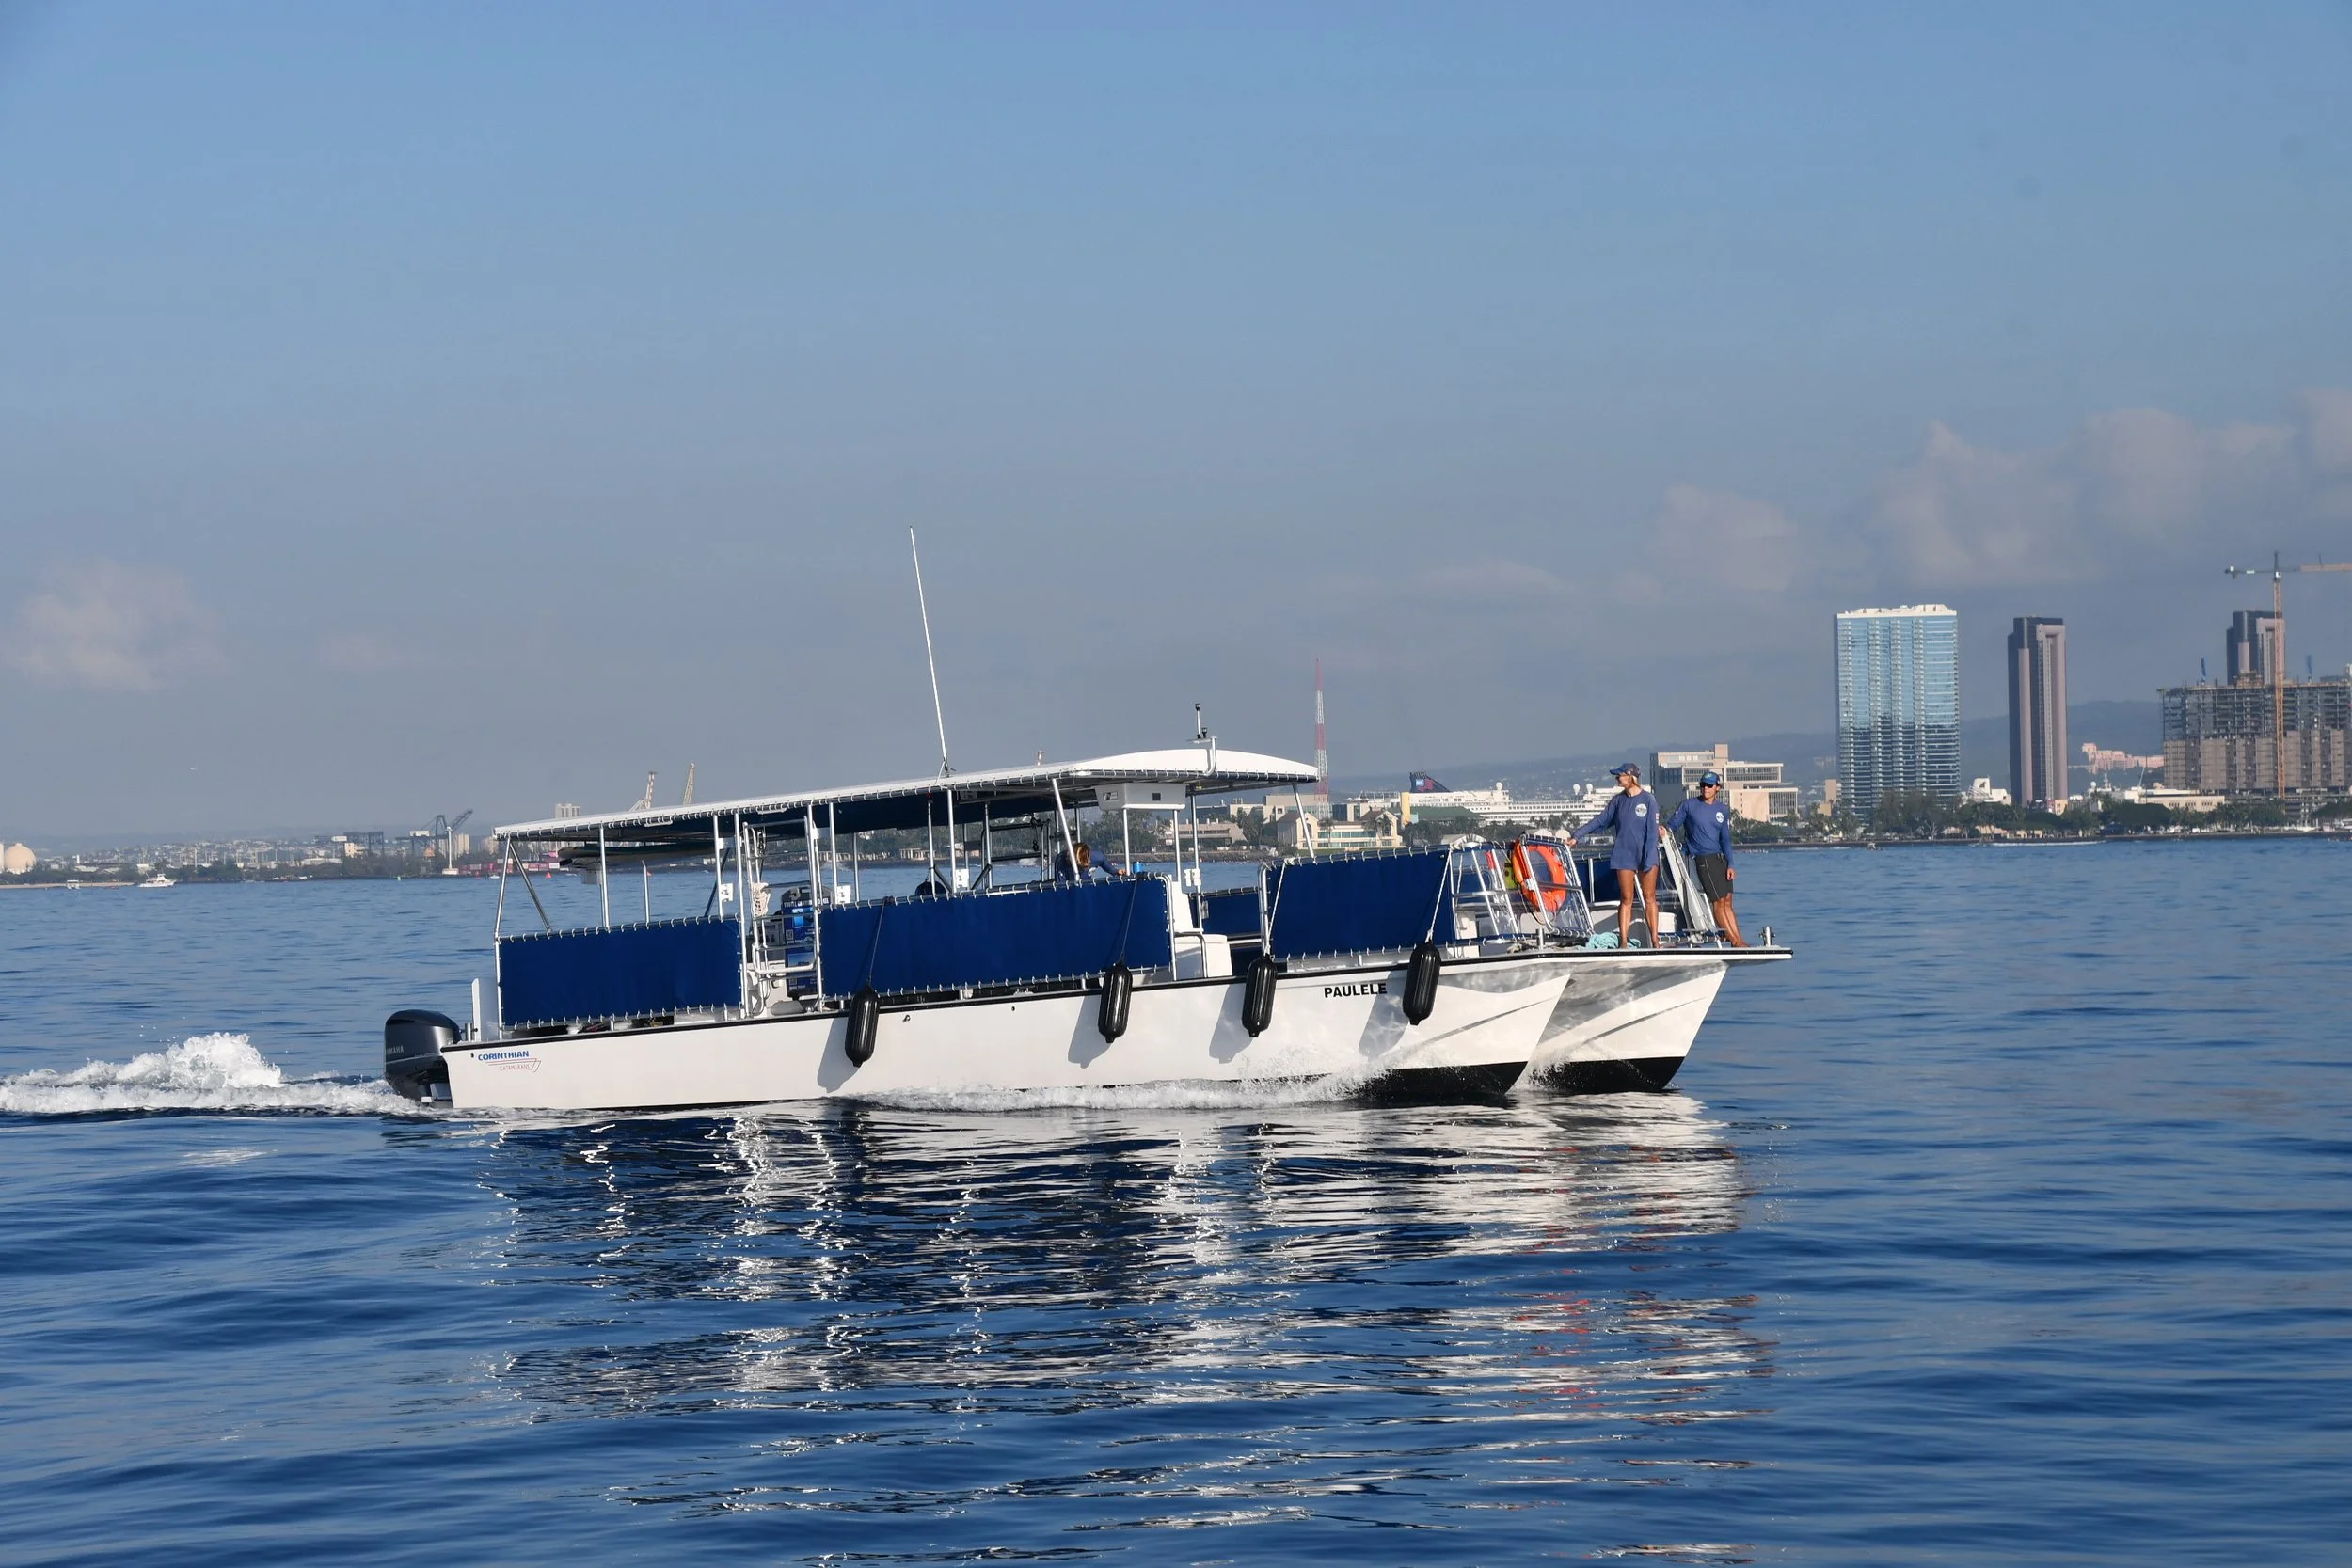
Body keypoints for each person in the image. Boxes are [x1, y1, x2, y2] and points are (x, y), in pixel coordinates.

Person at [1572, 763, 1661, 947]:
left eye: (1619, 775)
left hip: (1647, 854)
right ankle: (1623, 942)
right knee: (1626, 898)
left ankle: (1655, 939)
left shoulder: (1648, 800)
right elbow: (1600, 821)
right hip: (1624, 855)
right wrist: (1577, 836)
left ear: (1630, 776)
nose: (1617, 779)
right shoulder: (1618, 801)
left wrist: (1648, 856)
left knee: (1649, 897)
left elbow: (1652, 832)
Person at [1667, 771, 1747, 947]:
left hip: (1720, 859)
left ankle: (1738, 938)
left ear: (1717, 788)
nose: (1705, 788)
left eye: (1709, 785)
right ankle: (1733, 940)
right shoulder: (1689, 805)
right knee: (1717, 901)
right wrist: (1662, 831)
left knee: (1727, 901)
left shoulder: (1722, 810)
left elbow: (1725, 838)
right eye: (1703, 784)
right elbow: (1671, 826)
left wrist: (1730, 863)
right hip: (1703, 859)